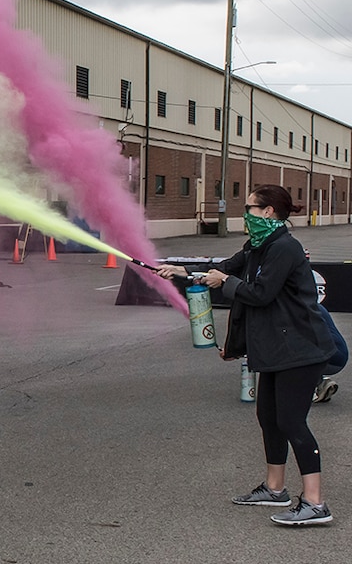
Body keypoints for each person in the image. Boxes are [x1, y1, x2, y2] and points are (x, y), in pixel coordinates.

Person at [156, 185, 336, 526]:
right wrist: (182, 272)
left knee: (292, 422)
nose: (245, 213)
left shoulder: (284, 247)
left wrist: (225, 280)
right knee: (269, 418)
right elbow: (225, 268)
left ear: (268, 212)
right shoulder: (257, 246)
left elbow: (260, 293)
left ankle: (315, 503)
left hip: (301, 349)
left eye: (250, 207)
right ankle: (275, 488)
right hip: (275, 348)